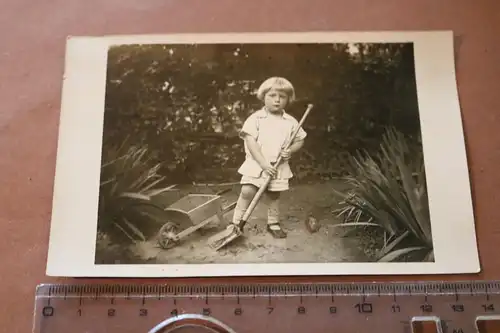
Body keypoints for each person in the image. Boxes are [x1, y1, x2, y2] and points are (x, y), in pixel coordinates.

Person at [231, 77, 307, 238]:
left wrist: (291, 150)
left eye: (282, 97)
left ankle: (273, 223)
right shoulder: (256, 118)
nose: (277, 100)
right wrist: (263, 164)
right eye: (272, 95)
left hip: (278, 166)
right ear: (263, 96)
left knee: (274, 194)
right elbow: (251, 143)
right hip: (257, 164)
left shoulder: (291, 122)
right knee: (247, 191)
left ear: (288, 99)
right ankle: (236, 223)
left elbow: (300, 140)